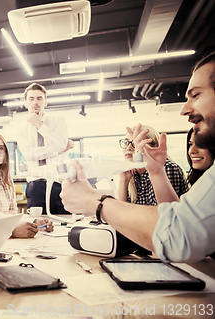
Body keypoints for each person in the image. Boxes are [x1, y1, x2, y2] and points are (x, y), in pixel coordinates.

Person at [60, 51, 215, 263]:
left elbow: (178, 236)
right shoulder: (143, 173)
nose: (185, 110)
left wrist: (91, 199)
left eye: (196, 95)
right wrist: (156, 172)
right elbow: (176, 221)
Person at [16, 83, 73, 215]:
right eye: (31, 99)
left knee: (66, 221)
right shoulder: (21, 128)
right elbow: (28, 154)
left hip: (60, 181)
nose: (35, 102)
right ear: (25, 102)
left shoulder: (58, 120)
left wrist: (39, 124)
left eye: (39, 98)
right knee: (39, 225)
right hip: (36, 182)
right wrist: (59, 149)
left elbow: (60, 145)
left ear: (45, 101)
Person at [117, 124, 188, 205]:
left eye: (136, 143)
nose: (128, 147)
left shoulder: (167, 168)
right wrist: (124, 179)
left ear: (154, 147)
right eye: (126, 142)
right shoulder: (133, 174)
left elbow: (163, 213)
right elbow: (119, 212)